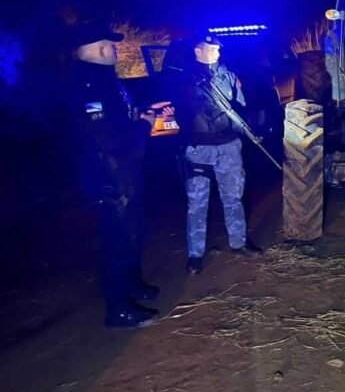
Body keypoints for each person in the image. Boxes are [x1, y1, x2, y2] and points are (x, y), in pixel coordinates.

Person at [68, 21, 164, 329]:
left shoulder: (106, 81)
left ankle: (133, 286)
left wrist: (143, 114)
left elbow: (118, 123)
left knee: (133, 233)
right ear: (97, 49)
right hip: (108, 179)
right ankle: (118, 309)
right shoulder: (88, 86)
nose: (116, 49)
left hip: (123, 174)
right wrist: (144, 126)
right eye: (111, 45)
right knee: (118, 241)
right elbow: (104, 139)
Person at [174, 34, 261, 275]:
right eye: (211, 49)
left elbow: (242, 107)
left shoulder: (228, 76)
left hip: (229, 146)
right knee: (197, 203)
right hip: (198, 147)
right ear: (197, 51)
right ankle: (195, 255)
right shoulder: (184, 79)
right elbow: (178, 111)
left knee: (233, 196)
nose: (217, 53)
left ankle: (239, 242)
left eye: (218, 49)